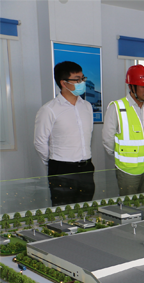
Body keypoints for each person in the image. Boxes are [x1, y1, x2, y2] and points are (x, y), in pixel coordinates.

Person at [34, 61, 95, 206]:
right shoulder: (49, 109)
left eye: (82, 78)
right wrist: (53, 163)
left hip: (86, 168)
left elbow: (88, 134)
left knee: (85, 209)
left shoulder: (87, 106)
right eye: (77, 80)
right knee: (63, 212)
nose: (82, 83)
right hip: (62, 169)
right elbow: (40, 142)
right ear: (63, 83)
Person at [102, 65, 144, 196]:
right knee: (129, 204)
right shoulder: (117, 107)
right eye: (143, 86)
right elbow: (107, 139)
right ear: (131, 87)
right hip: (127, 170)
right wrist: (120, 155)